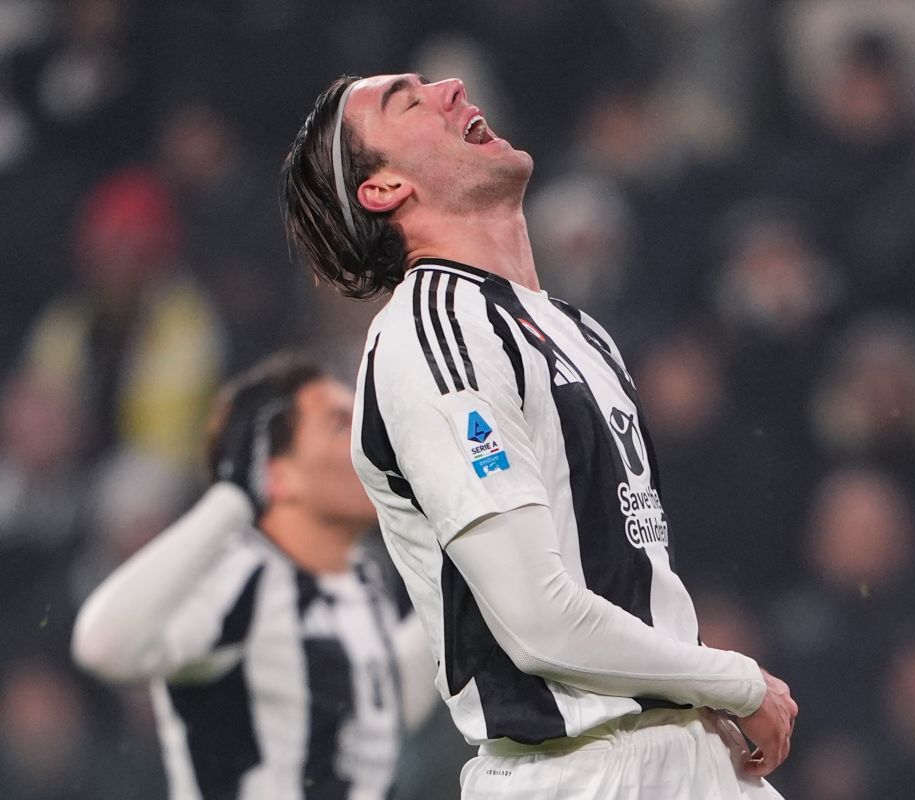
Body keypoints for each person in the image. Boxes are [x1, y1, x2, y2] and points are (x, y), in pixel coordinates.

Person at [281, 73, 798, 799]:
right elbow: (538, 622)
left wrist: (711, 692)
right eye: (409, 101)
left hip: (688, 754)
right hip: (578, 772)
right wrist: (736, 680)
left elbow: (618, 586)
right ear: (384, 189)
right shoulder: (433, 332)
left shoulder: (571, 328)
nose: (450, 88)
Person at [71, 354, 439, 799]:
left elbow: (380, 714)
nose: (366, 441)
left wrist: (451, 573)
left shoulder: (362, 576)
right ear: (277, 474)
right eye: (341, 424)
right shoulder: (241, 575)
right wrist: (232, 500)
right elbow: (105, 646)